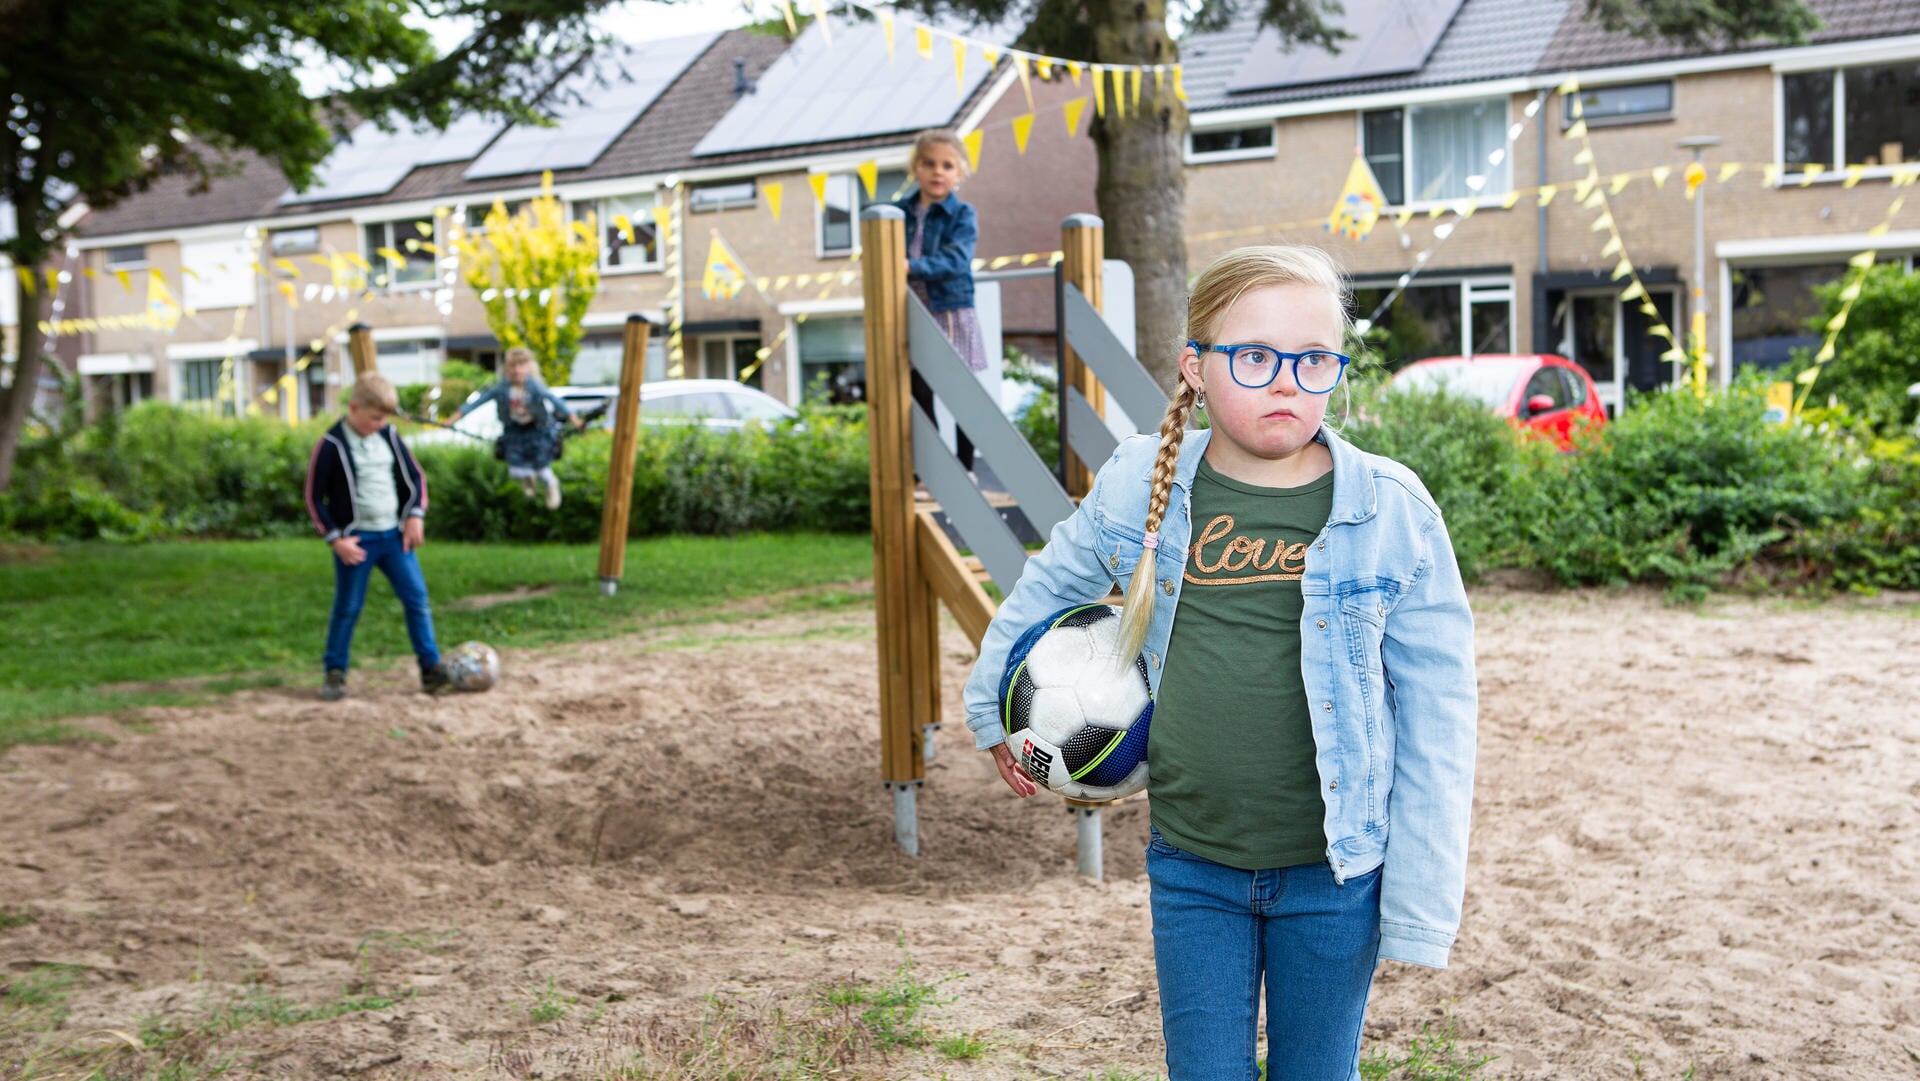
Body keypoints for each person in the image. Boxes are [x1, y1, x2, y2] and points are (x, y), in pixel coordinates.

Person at [961, 246, 1478, 1081]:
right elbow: (1045, 585)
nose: (1288, 381)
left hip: (1334, 874)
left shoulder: (1390, 509)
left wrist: (1419, 906)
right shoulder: (1143, 485)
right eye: (1256, 357)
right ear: (1196, 368)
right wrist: (992, 704)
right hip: (1193, 862)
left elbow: (1441, 715)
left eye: (1314, 360)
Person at [305, 373, 450, 701]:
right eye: (374, 418)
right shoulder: (331, 445)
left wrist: (415, 515)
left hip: (395, 539)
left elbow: (415, 478)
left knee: (417, 599)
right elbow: (314, 498)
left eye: (384, 418)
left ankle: (431, 669)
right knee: (348, 607)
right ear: (354, 408)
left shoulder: (389, 436)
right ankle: (335, 672)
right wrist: (335, 539)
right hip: (357, 543)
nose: (379, 424)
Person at [896, 128, 984, 477]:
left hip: (949, 309)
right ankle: (930, 471)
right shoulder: (898, 212)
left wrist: (911, 266)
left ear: (959, 173)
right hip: (913, 309)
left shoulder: (962, 215)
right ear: (915, 168)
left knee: (957, 389)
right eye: (929, 163)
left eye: (947, 165)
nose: (938, 171)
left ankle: (965, 469)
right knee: (919, 389)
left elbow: (957, 260)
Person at [451, 345, 583, 509]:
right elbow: (478, 402)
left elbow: (554, 400)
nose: (517, 370)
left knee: (541, 467)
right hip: (514, 431)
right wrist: (453, 419)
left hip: (536, 429)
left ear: (528, 367)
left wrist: (574, 419)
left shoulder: (534, 386)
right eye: (513, 366)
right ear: (507, 368)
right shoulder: (502, 388)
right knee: (515, 469)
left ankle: (551, 484)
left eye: (521, 366)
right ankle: (528, 477)